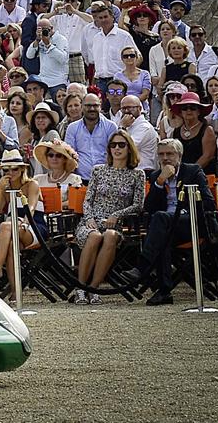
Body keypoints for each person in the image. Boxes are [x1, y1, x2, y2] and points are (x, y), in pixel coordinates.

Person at [139, 138, 217, 305]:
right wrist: (160, 182)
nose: (165, 158)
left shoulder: (193, 171)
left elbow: (208, 203)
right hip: (167, 228)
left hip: (191, 223)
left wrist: (184, 207)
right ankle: (165, 291)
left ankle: (142, 267)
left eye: (170, 153)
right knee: (161, 234)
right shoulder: (155, 176)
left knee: (160, 218)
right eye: (161, 154)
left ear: (179, 156)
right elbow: (148, 208)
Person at [70, 130, 144, 304]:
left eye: (121, 145)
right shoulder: (98, 170)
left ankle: (94, 288)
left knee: (109, 235)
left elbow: (138, 205)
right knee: (94, 236)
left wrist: (117, 215)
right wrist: (89, 218)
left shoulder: (137, 174)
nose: (117, 148)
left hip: (115, 223)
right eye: (113, 145)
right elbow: (87, 200)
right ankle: (81, 288)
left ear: (129, 148)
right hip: (92, 220)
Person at [0, 150, 41, 298]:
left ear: (22, 169)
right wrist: (0, 189)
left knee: (6, 226)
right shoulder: (5, 187)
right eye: (6, 170)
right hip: (12, 229)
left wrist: (23, 222)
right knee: (11, 246)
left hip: (33, 226)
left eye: (14, 169)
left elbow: (31, 208)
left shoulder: (32, 184)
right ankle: (15, 292)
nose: (10, 172)